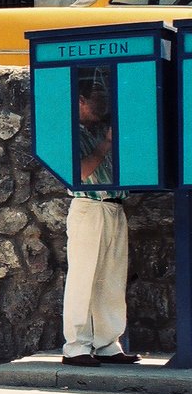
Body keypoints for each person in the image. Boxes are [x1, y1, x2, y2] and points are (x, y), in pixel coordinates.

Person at [60, 74, 140, 367]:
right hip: (89, 206)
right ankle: (76, 345)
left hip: (114, 206)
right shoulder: (73, 134)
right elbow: (79, 173)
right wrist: (106, 145)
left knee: (111, 276)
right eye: (98, 98)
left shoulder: (99, 130)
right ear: (81, 101)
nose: (104, 104)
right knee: (84, 277)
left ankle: (108, 342)